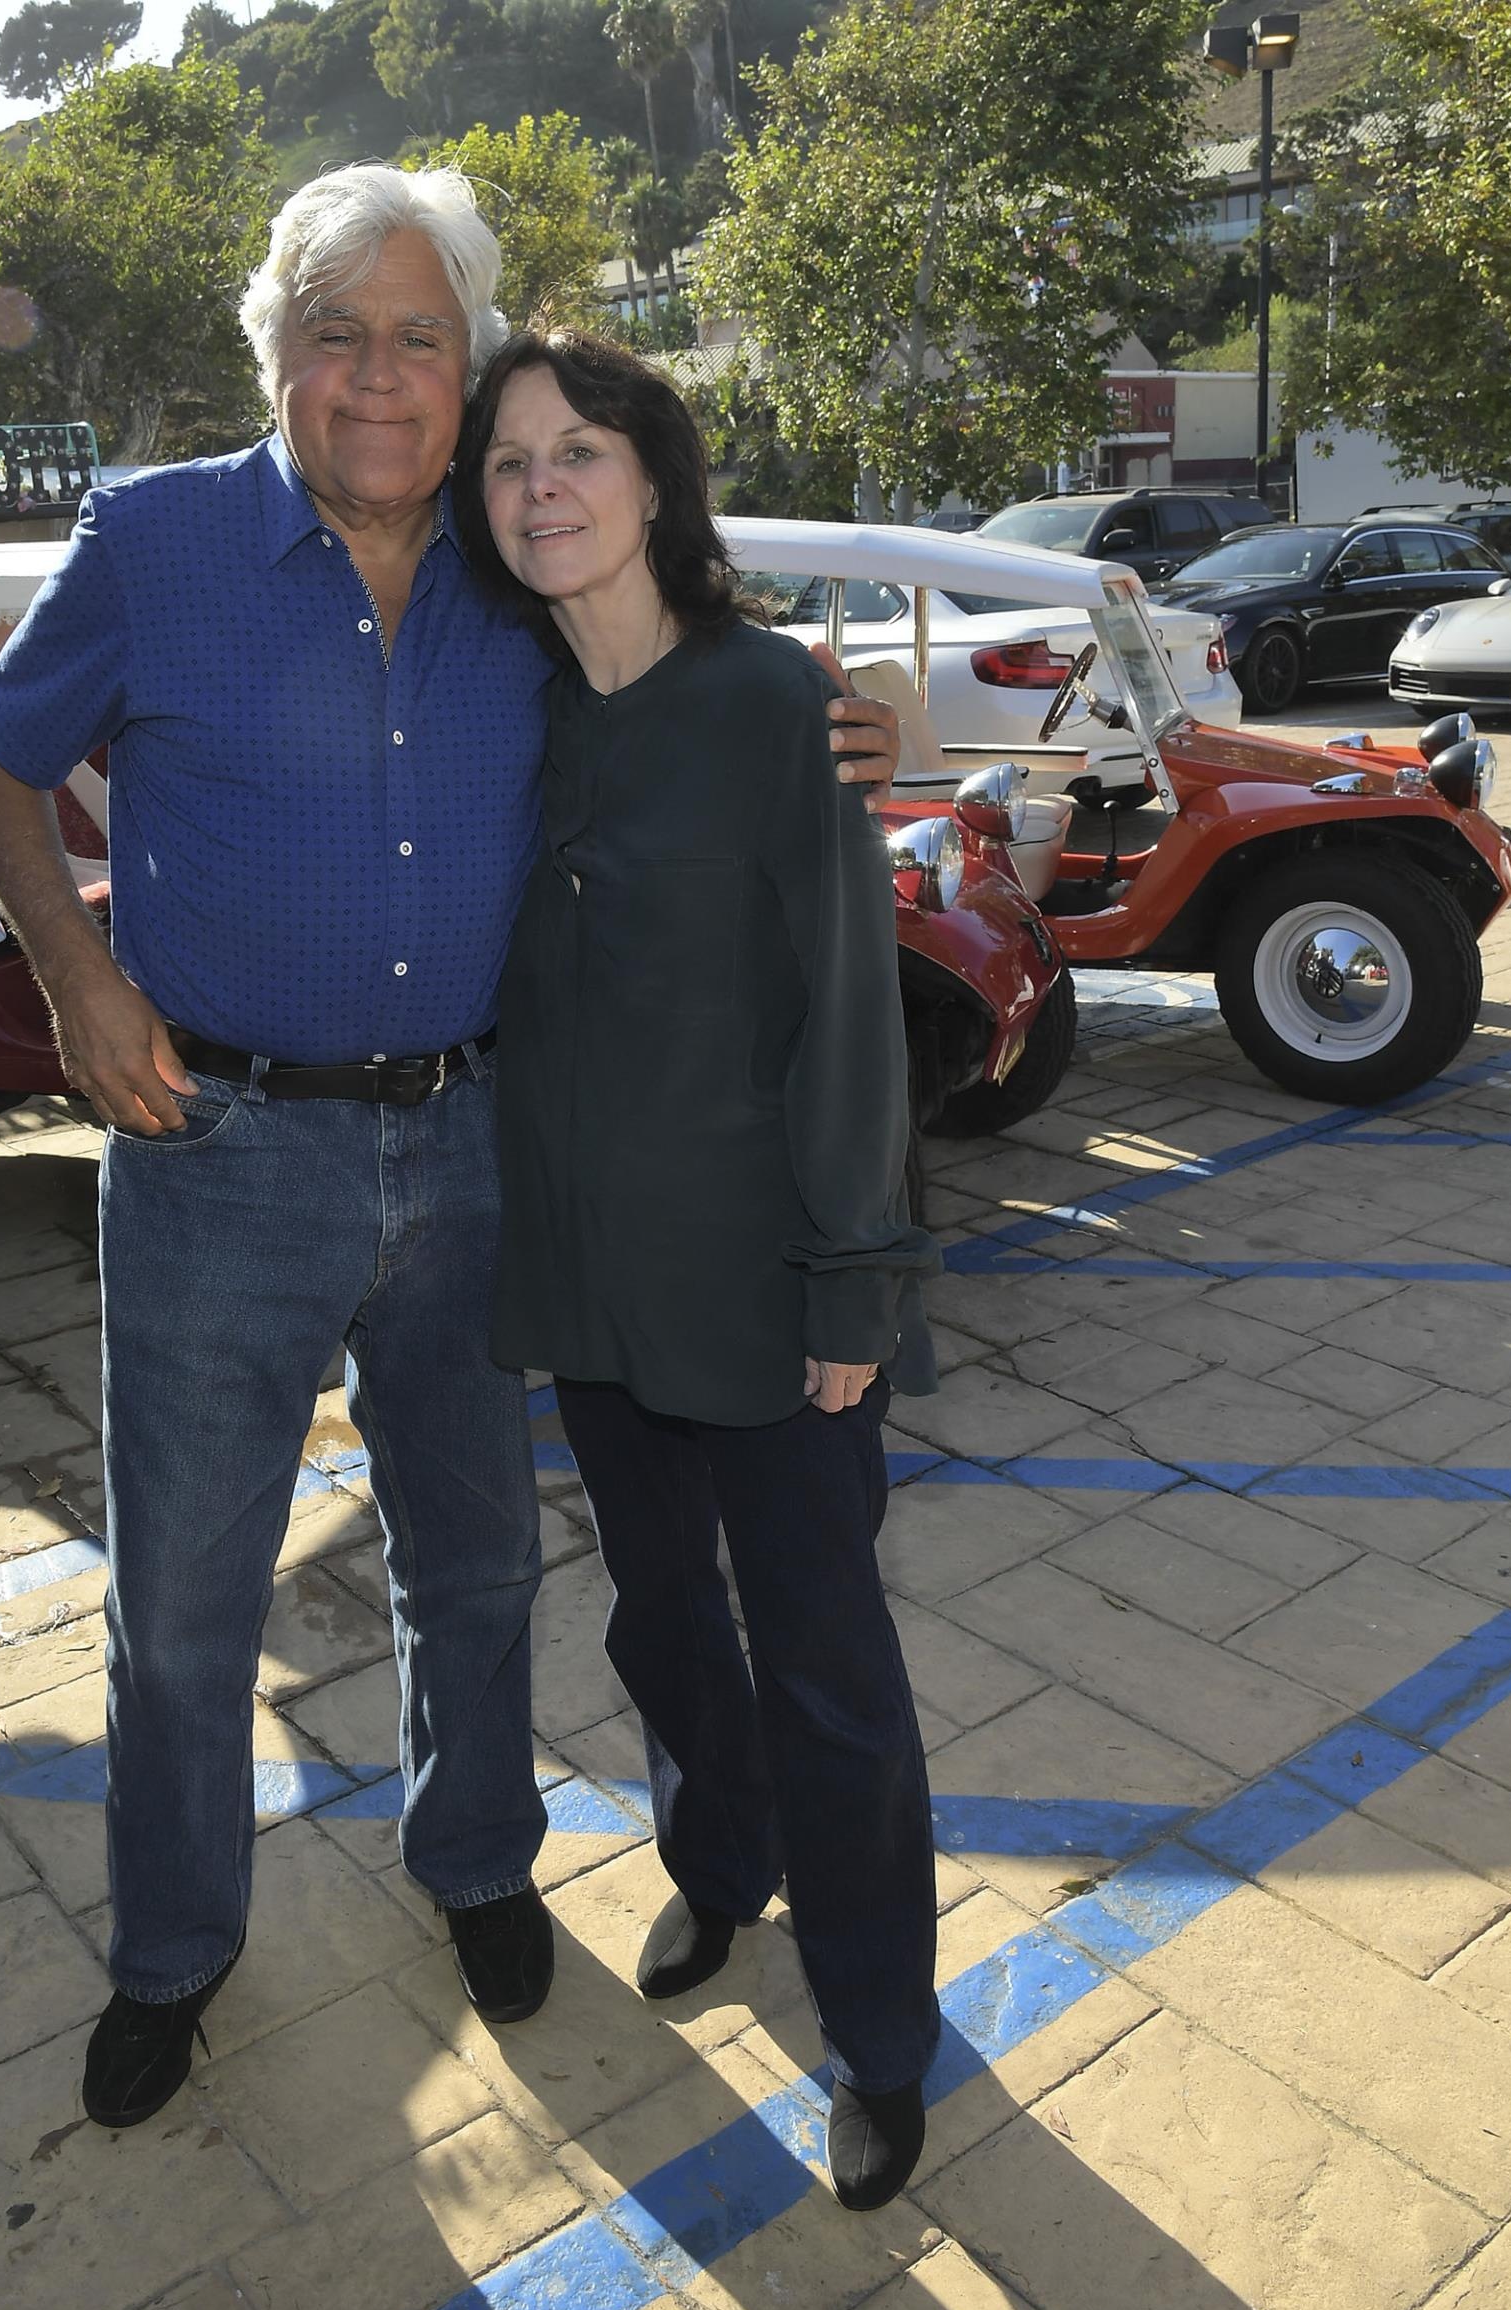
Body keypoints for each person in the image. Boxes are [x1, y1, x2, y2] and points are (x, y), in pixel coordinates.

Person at [0, 165, 905, 2132]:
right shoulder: (154, 540)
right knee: (185, 1603)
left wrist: (853, 709)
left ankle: (476, 1860)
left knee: (475, 1568)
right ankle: (176, 1946)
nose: (380, 376)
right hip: (214, 1143)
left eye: (418, 335)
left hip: (478, 1147)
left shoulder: (512, 553)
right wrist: (75, 978)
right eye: (336, 332)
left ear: (462, 361)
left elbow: (701, 664)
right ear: (276, 355)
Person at [455, 330, 943, 2212]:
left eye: (579, 450)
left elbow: (849, 1019)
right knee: (658, 1620)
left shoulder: (774, 707)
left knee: (828, 1665)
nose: (542, 488)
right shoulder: (516, 704)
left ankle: (882, 2031)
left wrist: (852, 1286)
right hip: (586, 1279)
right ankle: (720, 1866)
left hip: (764, 1283)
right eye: (508, 465)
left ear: (656, 479)